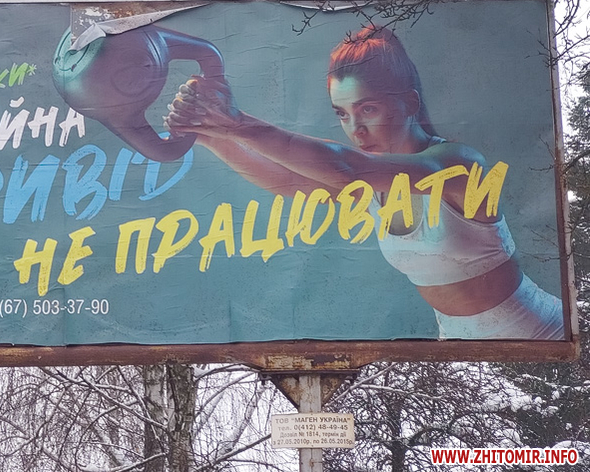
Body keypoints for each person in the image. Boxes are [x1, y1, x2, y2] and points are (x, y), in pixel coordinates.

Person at [164, 24, 564, 340]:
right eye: (342, 114)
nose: (355, 128)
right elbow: (287, 183)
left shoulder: (458, 165)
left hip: (539, 333)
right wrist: (208, 134)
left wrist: (236, 123)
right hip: (459, 346)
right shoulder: (372, 185)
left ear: (409, 103)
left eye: (367, 109)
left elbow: (348, 167)